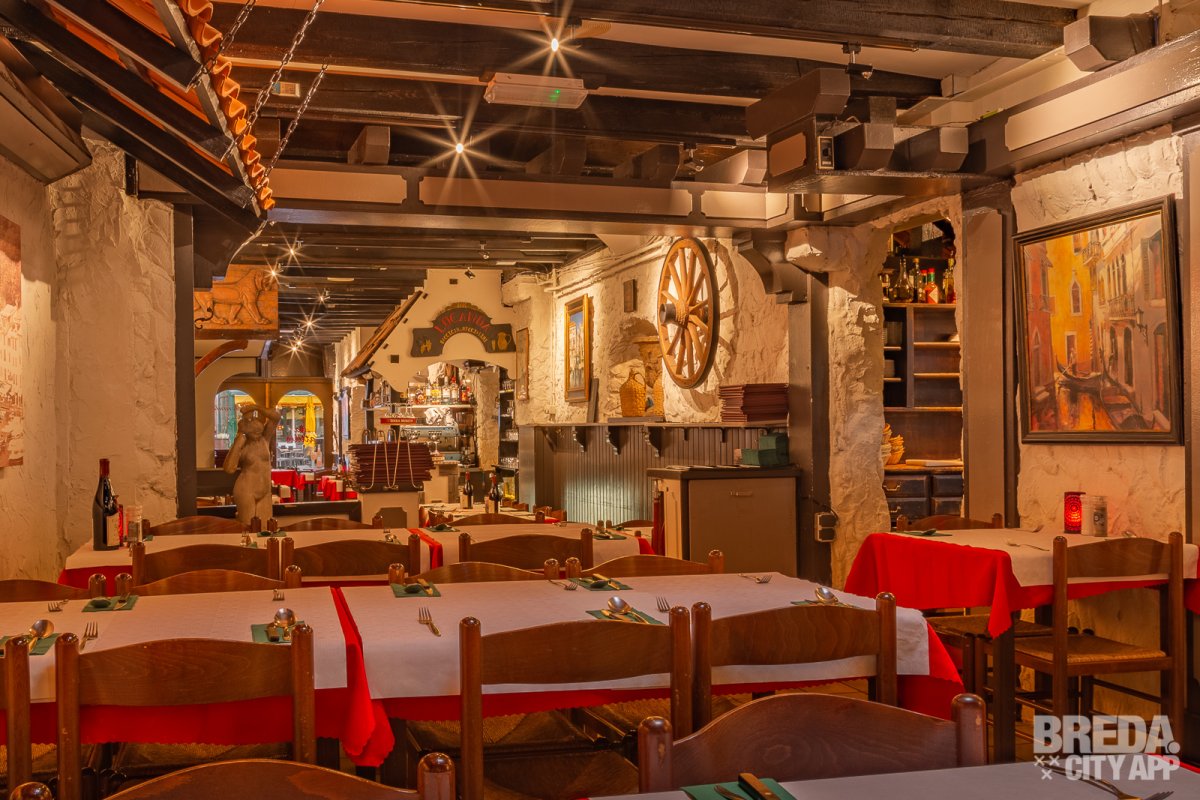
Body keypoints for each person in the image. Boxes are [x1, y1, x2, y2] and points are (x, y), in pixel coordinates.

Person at [223, 404, 281, 525]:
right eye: (254, 432)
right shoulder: (243, 445)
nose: (257, 435)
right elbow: (229, 469)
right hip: (246, 490)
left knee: (265, 528)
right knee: (248, 527)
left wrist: (256, 407)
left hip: (265, 491)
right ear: (246, 431)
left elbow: (276, 417)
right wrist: (238, 441)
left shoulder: (264, 439)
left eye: (259, 432)